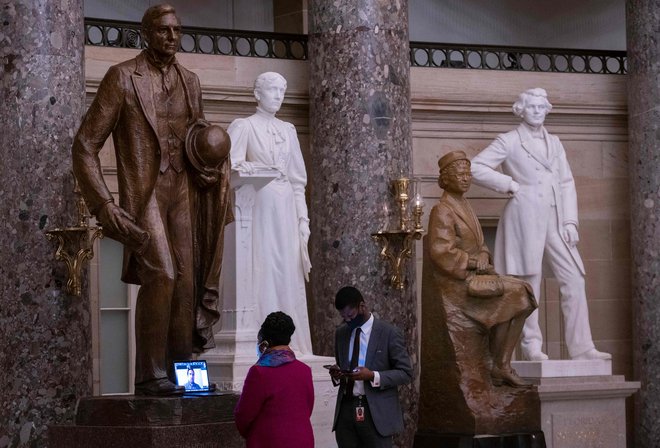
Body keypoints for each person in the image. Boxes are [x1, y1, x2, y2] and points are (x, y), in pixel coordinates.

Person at [72, 4, 233, 395]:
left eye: (177, 31)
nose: (171, 37)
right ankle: (149, 374)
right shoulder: (122, 77)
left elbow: (196, 137)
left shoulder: (191, 81)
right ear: (146, 33)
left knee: (187, 282)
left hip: (185, 190)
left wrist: (212, 166)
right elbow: (84, 146)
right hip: (145, 192)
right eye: (163, 31)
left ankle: (182, 373)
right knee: (162, 273)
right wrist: (104, 205)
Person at [471, 88, 611, 361]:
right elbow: (475, 167)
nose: (536, 111)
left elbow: (567, 182)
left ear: (547, 110)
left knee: (574, 278)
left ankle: (582, 348)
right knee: (528, 283)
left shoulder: (555, 142)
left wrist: (571, 220)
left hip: (555, 219)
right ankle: (531, 346)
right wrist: (509, 184)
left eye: (541, 107)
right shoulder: (509, 141)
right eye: (531, 107)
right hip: (524, 217)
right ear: (521, 110)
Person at [427, 151, 537, 387]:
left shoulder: (465, 205)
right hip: (458, 286)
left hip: (475, 276)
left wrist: (485, 257)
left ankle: (500, 364)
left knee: (524, 292)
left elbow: (480, 244)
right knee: (519, 293)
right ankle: (500, 366)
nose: (466, 178)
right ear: (446, 178)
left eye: (468, 173)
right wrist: (475, 263)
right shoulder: (443, 210)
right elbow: (441, 252)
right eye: (460, 174)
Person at [227, 72, 313, 355]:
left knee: (287, 269)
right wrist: (254, 169)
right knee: (263, 267)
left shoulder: (288, 130)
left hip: (286, 206)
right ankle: (263, 340)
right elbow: (231, 168)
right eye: (272, 90)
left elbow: (298, 180)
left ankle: (293, 344)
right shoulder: (244, 126)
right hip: (259, 205)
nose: (278, 96)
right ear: (257, 93)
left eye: (282, 91)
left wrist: (303, 219)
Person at [328, 286, 413, 448]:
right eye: (343, 317)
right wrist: (338, 373)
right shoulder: (341, 333)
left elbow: (405, 373)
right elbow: (342, 364)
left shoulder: (388, 333)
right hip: (346, 410)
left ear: (362, 306)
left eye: (350, 315)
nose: (347, 320)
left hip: (375, 411)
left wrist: (373, 376)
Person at [234, 311, 314, 448]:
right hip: (303, 440)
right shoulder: (305, 370)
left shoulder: (259, 372)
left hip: (269, 441)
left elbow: (243, 416)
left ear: (264, 341)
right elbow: (308, 408)